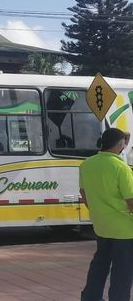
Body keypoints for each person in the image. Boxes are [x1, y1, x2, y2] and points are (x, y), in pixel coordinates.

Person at [80, 127, 133, 301]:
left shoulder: (87, 164)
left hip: (101, 226)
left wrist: (99, 211)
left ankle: (90, 297)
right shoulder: (121, 168)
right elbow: (131, 201)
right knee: (122, 270)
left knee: (100, 264)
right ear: (120, 145)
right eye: (124, 143)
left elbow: (84, 195)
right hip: (124, 230)